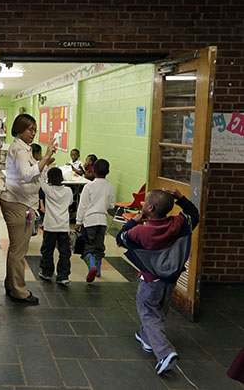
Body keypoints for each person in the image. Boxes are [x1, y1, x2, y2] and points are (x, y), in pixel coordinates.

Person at [116, 188, 199, 375]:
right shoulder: (179, 223)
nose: (143, 203)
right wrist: (180, 197)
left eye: (145, 202)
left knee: (148, 314)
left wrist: (130, 224)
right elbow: (194, 214)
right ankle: (146, 337)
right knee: (159, 310)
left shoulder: (141, 231)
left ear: (150, 207)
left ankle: (164, 353)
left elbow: (120, 239)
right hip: (170, 280)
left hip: (150, 280)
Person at [0, 114, 55, 304]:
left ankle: (11, 285)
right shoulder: (21, 150)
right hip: (18, 203)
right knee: (19, 251)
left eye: (35, 129)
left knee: (16, 249)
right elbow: (26, 175)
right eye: (29, 129)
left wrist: (44, 162)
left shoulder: (22, 147)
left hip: (19, 201)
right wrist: (46, 157)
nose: (33, 133)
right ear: (19, 129)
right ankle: (19, 291)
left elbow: (32, 174)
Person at [74, 158, 115, 282]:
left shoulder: (89, 186)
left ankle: (91, 266)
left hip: (89, 220)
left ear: (94, 171)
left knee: (88, 245)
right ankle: (98, 269)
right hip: (102, 221)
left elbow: (83, 206)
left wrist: (78, 221)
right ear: (108, 172)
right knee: (99, 245)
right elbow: (112, 205)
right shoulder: (110, 187)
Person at [37, 167, 73, 286]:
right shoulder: (68, 191)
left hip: (50, 226)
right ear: (62, 178)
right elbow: (70, 203)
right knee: (64, 252)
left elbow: (40, 179)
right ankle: (63, 276)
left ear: (49, 180)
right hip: (63, 227)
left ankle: (46, 272)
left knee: (47, 250)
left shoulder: (48, 190)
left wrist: (46, 164)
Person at [31, 143, 46, 218]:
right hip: (37, 186)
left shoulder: (32, 162)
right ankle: (42, 206)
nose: (41, 155)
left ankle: (41, 206)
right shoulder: (36, 164)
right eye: (40, 153)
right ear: (36, 153)